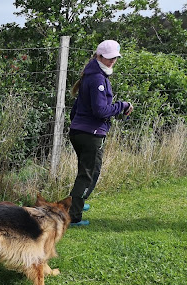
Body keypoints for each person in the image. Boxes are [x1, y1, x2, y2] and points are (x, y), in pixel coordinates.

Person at [67, 40, 133, 226]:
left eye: (115, 58)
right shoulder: (97, 78)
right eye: (108, 57)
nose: (112, 61)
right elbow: (101, 111)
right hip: (91, 134)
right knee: (88, 174)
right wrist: (123, 105)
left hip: (79, 131)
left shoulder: (90, 73)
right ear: (99, 56)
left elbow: (76, 108)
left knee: (85, 171)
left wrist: (78, 124)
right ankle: (74, 215)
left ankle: (77, 203)